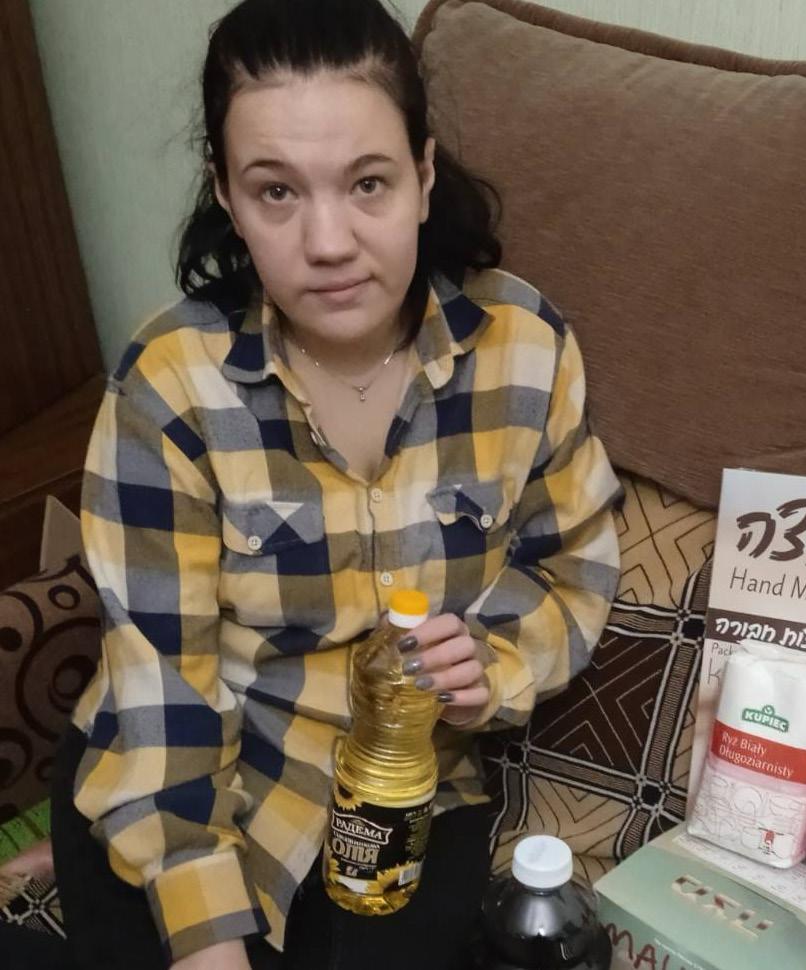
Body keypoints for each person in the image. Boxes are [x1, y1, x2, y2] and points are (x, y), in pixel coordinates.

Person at [48, 1, 622, 968]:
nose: (328, 242)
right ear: (227, 197)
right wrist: (203, 932)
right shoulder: (169, 384)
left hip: (409, 788)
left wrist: (491, 667)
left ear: (424, 175)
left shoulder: (525, 350)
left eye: (368, 183)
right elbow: (161, 685)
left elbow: (573, 568)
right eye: (276, 191)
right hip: (187, 783)